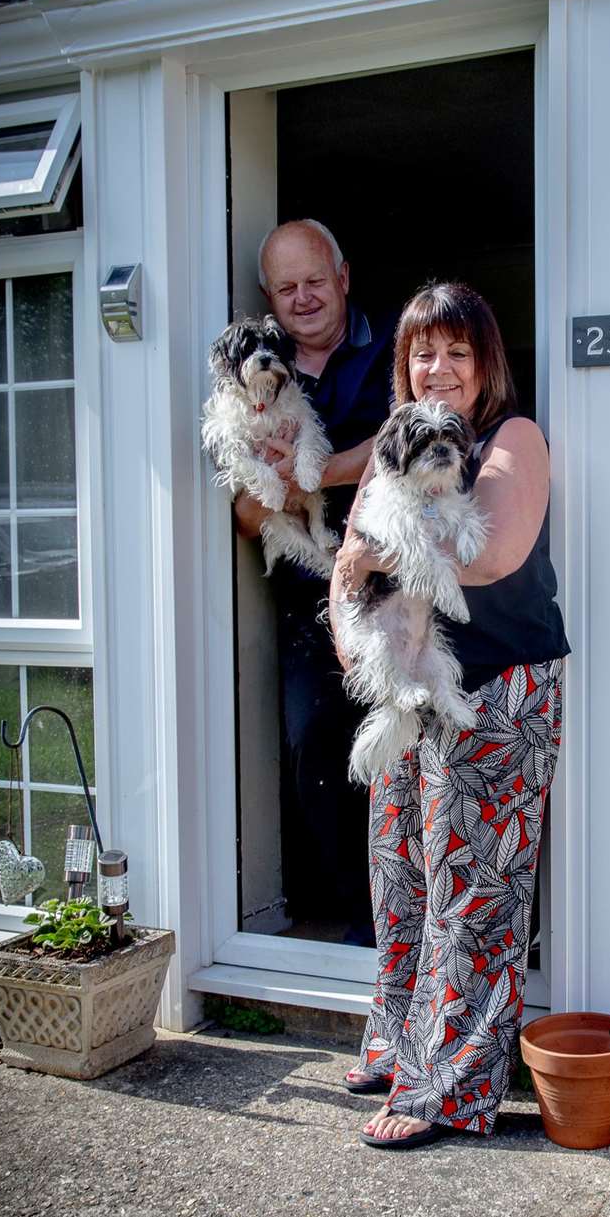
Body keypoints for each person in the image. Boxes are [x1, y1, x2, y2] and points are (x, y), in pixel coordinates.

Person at [328, 282, 570, 1147]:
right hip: (406, 683)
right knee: (398, 876)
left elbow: (491, 552)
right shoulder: (396, 448)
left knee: (475, 891)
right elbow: (345, 567)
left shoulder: (512, 440)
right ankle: (398, 1042)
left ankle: (453, 1087)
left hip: (499, 688)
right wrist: (360, 651)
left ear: (485, 364)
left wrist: (372, 552)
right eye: (423, 353)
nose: (438, 369)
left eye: (457, 353)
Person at [235, 219, 392, 944]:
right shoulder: (259, 373)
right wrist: (290, 491)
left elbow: (405, 444)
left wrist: (311, 475)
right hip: (307, 598)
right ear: (269, 297)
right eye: (286, 287)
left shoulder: (397, 350)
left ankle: (403, 916)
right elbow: (241, 507)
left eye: (314, 281)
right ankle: (353, 917)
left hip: (394, 586)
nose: (303, 299)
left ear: (345, 276)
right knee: (312, 745)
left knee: (401, 743)